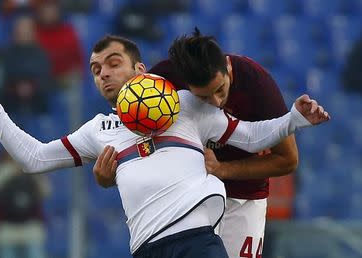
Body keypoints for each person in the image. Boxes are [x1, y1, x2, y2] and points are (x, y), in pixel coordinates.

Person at [0, 35, 329, 258]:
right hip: (146, 248)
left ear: (143, 71)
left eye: (112, 62)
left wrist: (294, 119)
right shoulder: (99, 129)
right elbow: (34, 158)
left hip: (199, 239)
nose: (104, 73)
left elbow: (251, 137)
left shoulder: (187, 104)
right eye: (95, 69)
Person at [91, 30, 308, 257]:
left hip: (244, 196)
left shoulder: (257, 85)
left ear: (228, 67)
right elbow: (137, 142)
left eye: (220, 90)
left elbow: (288, 161)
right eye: (203, 98)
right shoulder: (162, 83)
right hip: (185, 199)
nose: (215, 103)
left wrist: (222, 169)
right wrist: (110, 175)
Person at [0, 150, 50, 258]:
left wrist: (32, 171)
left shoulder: (33, 164)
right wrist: (7, 171)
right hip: (5, 226)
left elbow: (46, 192)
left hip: (30, 226)